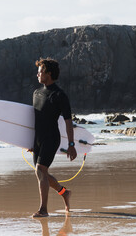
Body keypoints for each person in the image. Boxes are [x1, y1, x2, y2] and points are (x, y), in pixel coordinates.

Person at [31, 58, 77, 217]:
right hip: (37, 138)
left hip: (51, 137)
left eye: (41, 71)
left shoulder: (59, 95)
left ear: (49, 74)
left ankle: (43, 209)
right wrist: (28, 142)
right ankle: (65, 193)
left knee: (40, 170)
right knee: (41, 174)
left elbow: (68, 122)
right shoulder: (36, 93)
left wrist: (71, 144)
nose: (37, 74)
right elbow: (34, 119)